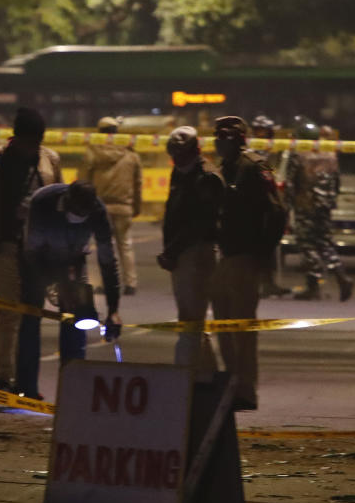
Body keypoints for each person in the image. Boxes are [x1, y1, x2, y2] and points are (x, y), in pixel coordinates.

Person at [0, 107, 62, 392]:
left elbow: (59, 203)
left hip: (38, 250)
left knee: (32, 314)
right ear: (16, 137)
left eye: (38, 142)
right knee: (7, 313)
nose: (33, 148)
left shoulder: (50, 160)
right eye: (29, 142)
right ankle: (3, 374)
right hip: (5, 246)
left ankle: (26, 378)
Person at [16, 180, 122, 400]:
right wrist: (57, 284)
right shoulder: (43, 203)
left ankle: (73, 392)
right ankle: (26, 389)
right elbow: (32, 254)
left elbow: (108, 262)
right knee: (30, 318)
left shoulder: (98, 212)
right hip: (37, 260)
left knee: (78, 318)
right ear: (67, 203)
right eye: (77, 212)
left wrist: (113, 308)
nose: (81, 216)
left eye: (85, 213)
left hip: (74, 259)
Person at [211, 116, 284, 411]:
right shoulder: (221, 170)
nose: (219, 142)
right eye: (217, 137)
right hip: (224, 256)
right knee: (222, 326)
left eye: (225, 137)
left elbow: (277, 213)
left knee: (242, 328)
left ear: (238, 140)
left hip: (245, 256)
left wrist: (263, 252)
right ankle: (230, 383)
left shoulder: (255, 167)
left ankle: (246, 388)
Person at [157, 126, 223, 381]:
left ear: (196, 151)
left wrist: (172, 252)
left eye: (182, 154)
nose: (178, 159)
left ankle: (183, 376)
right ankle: (206, 376)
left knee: (190, 320)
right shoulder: (181, 172)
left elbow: (199, 225)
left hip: (196, 254)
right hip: (180, 254)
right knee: (192, 319)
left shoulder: (206, 177)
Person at [286, 122, 353, 301]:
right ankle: (341, 275)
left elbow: (291, 182)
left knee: (307, 243)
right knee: (324, 242)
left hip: (305, 205)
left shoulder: (299, 154)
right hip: (325, 205)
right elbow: (337, 182)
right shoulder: (330, 153)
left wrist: (289, 204)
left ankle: (313, 285)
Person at [80, 116, 142, 295]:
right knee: (125, 245)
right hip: (124, 207)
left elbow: (83, 182)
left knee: (103, 245)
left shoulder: (92, 153)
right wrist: (136, 207)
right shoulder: (131, 154)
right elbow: (138, 184)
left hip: (100, 207)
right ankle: (130, 283)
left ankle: (106, 283)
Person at [250, 114, 290, 297]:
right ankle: (254, 283)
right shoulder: (250, 151)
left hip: (271, 204)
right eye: (257, 130)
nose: (260, 134)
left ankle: (268, 283)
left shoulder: (276, 150)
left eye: (263, 130)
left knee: (270, 246)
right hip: (254, 204)